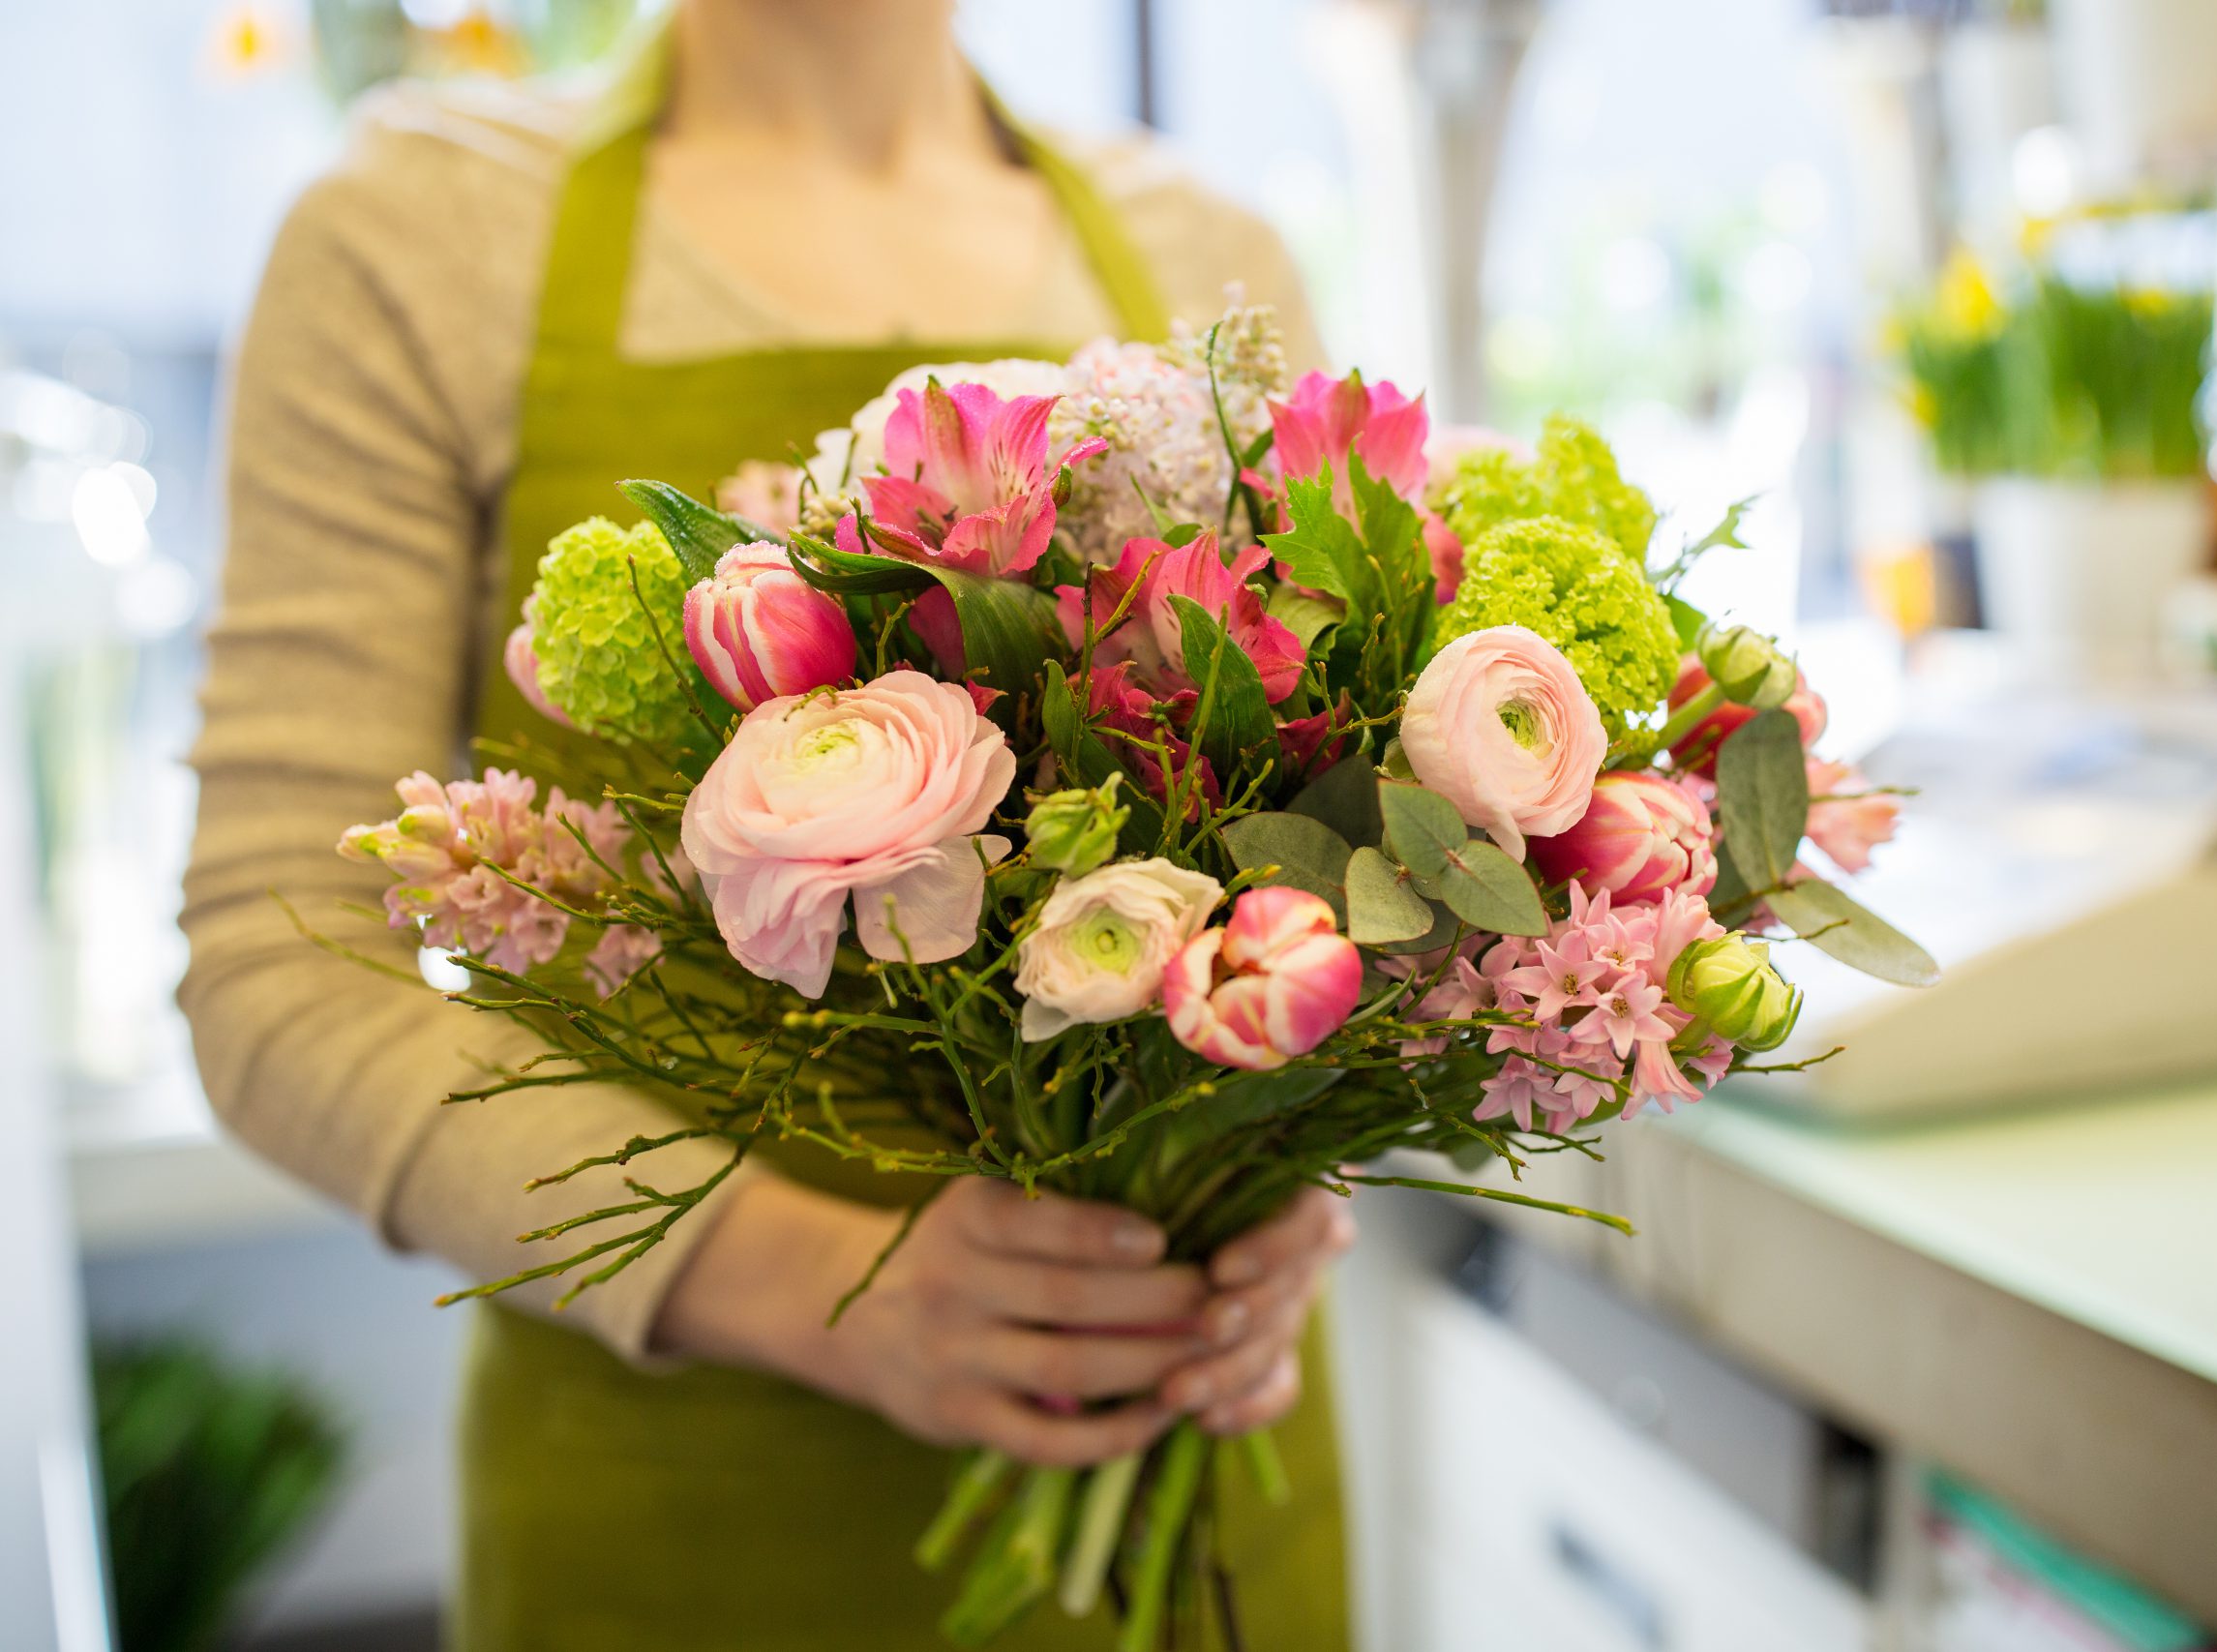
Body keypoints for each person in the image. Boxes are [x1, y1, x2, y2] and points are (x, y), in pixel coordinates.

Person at [178, 3, 1356, 1645]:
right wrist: (815, 1286)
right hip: (686, 1520)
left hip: (1208, 1511)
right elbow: (278, 961)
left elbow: (1320, 835)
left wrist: (1288, 1179)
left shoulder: (1205, 258)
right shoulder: (424, 234)